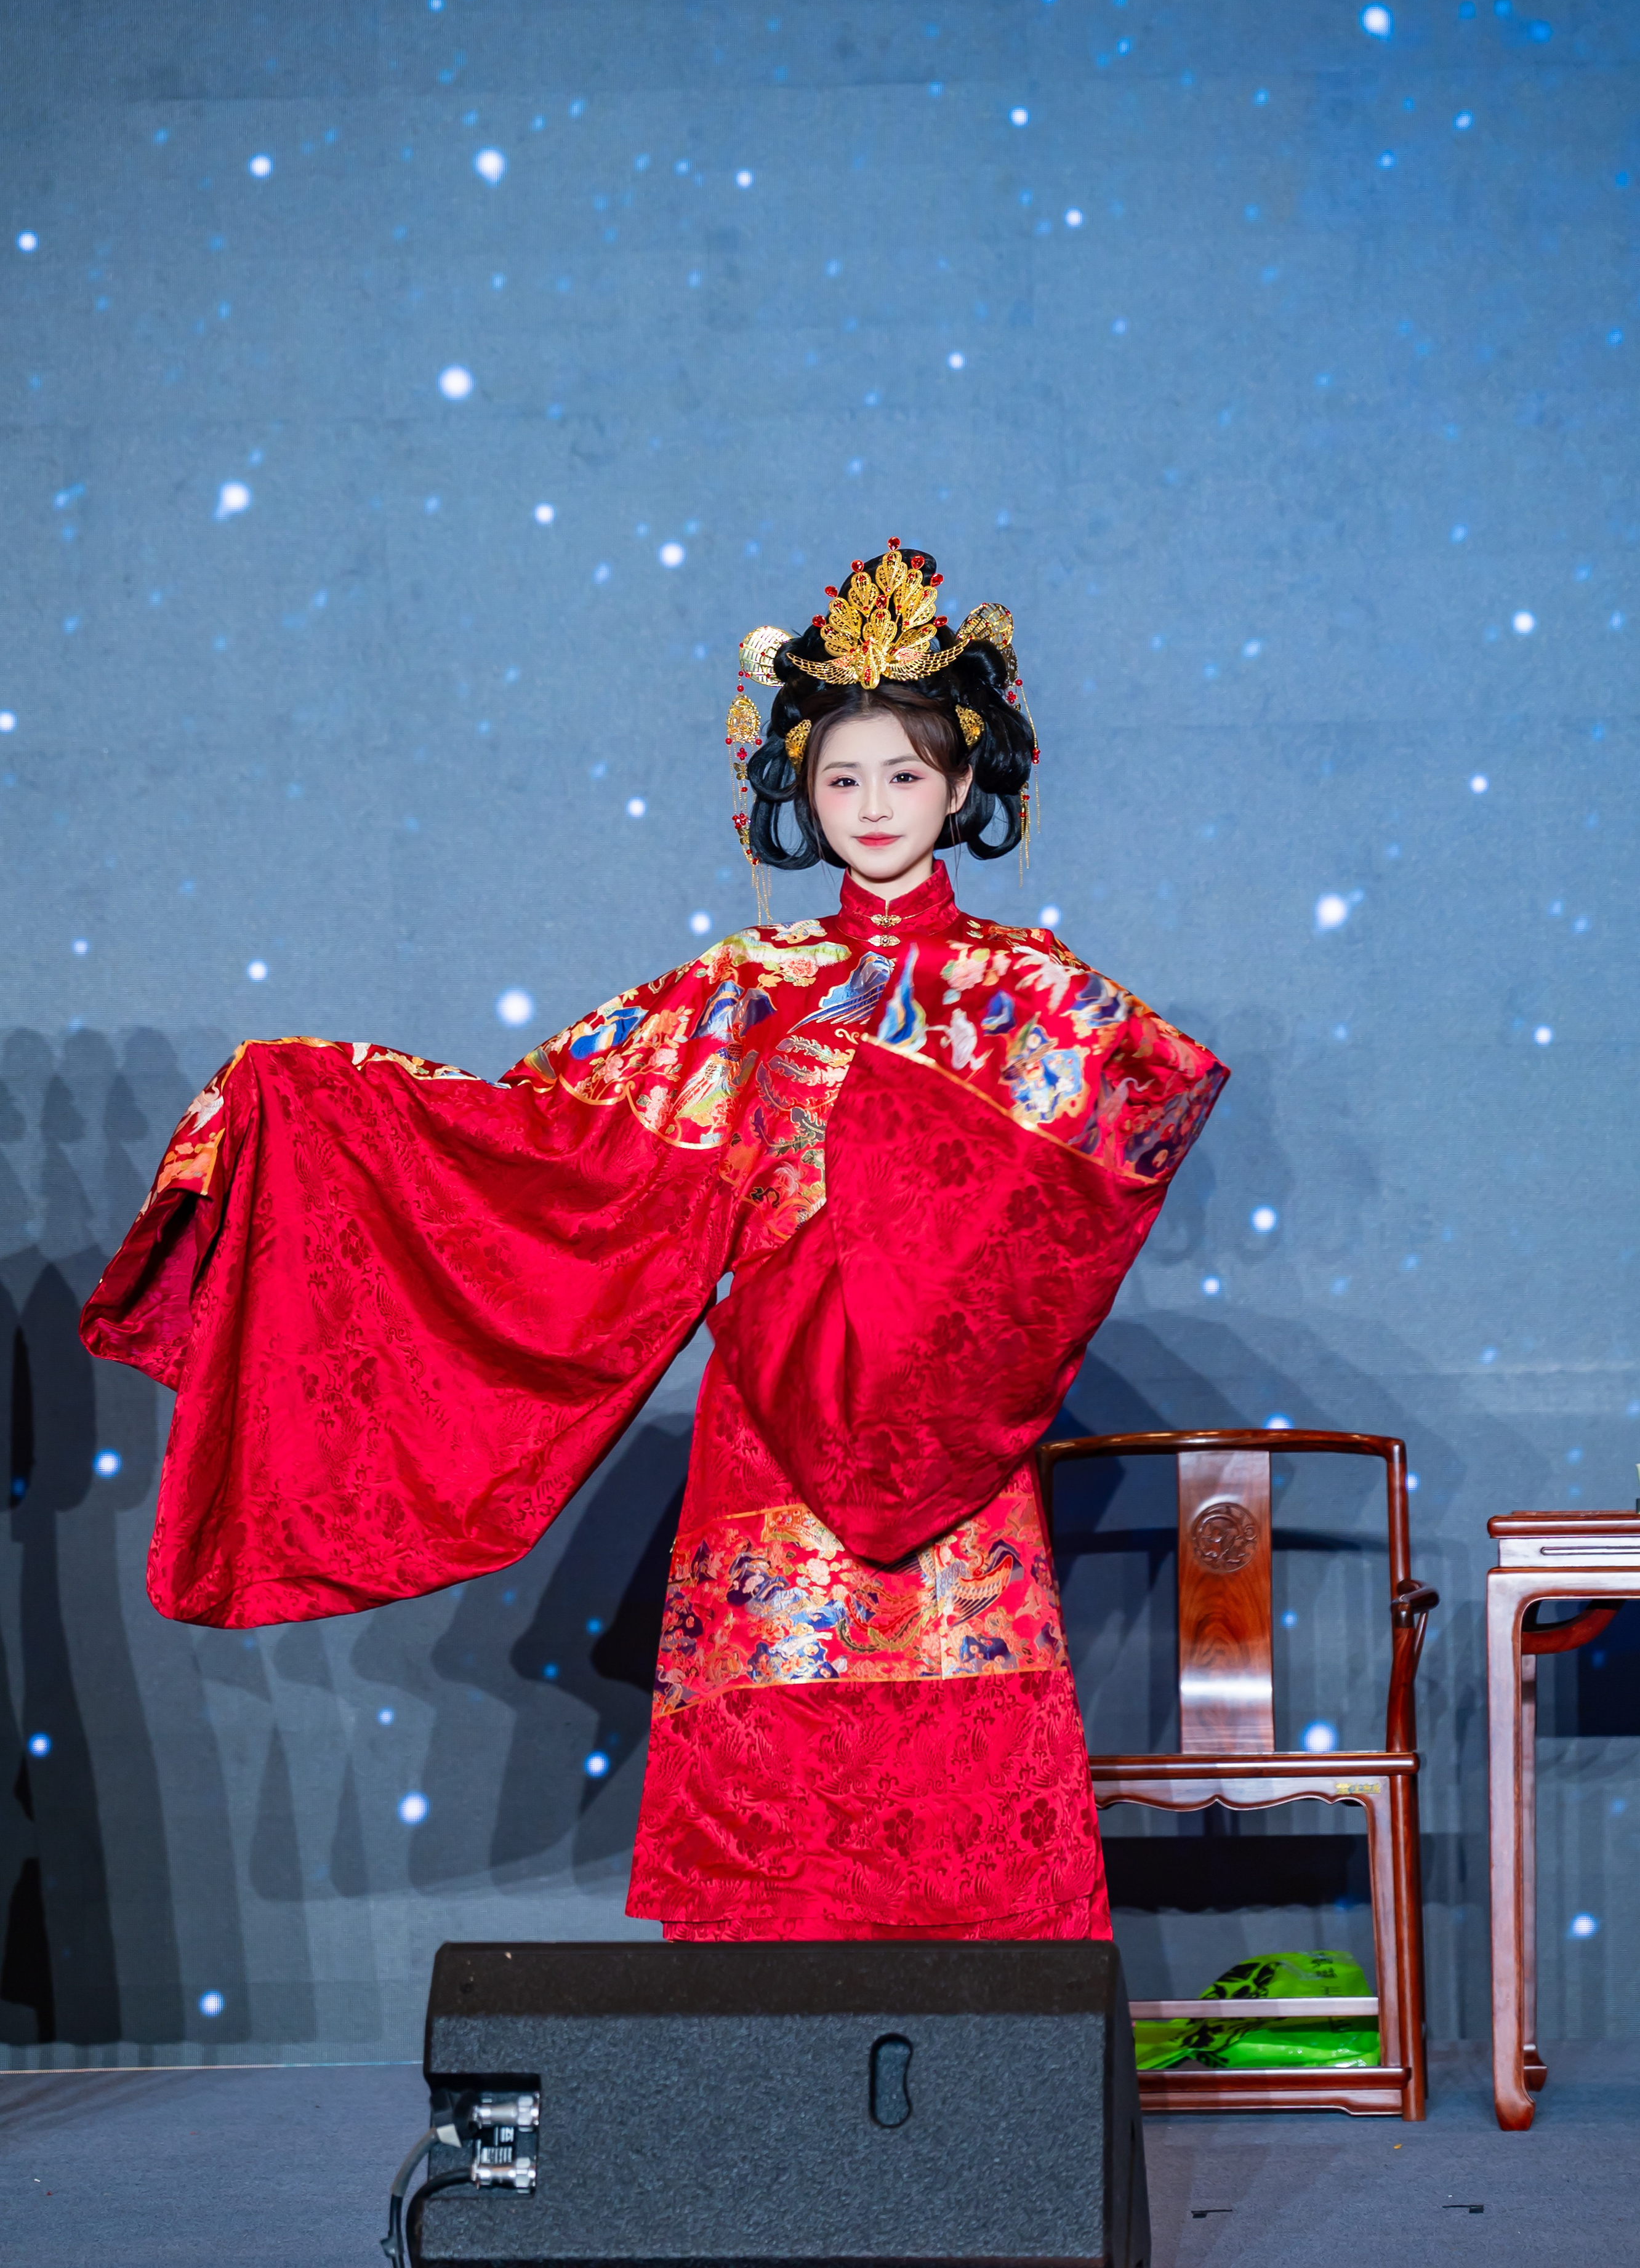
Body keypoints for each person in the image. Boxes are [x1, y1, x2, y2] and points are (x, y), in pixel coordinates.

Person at [81, 539, 1227, 1942]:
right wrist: (317, 1097)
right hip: (769, 1414)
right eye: (843, 779)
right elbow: (546, 1143)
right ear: (798, 792)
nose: (874, 807)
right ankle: (767, 2052)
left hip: (940, 1427)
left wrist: (919, 1259)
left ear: (963, 785)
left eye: (905, 775)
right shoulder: (741, 990)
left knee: (956, 1735)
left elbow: (1094, 1170)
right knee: (778, 1760)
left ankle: (991, 2041)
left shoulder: (1032, 991)